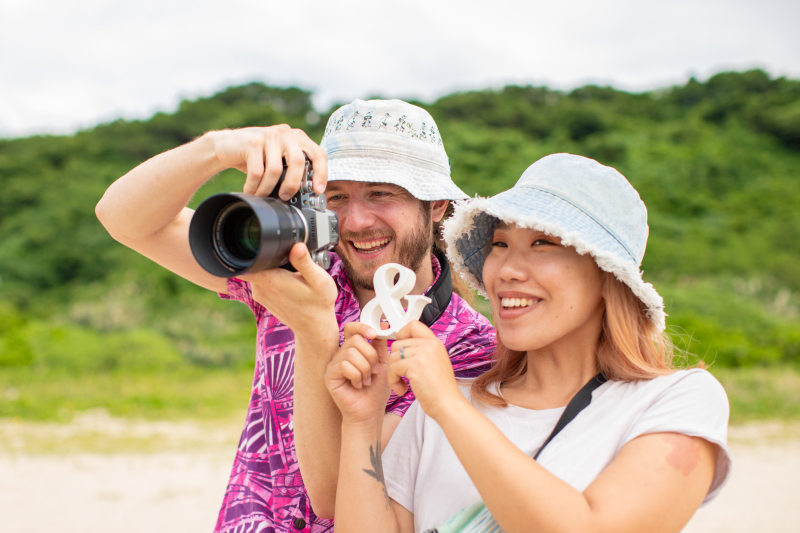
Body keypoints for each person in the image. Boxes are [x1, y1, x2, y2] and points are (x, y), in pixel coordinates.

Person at [94, 99, 496, 533]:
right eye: (336, 196)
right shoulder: (295, 270)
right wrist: (217, 149)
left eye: (381, 193)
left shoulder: (472, 347)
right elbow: (124, 221)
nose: (356, 221)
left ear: (435, 204)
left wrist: (313, 329)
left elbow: (333, 496)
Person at [326, 153, 732, 533]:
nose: (507, 270)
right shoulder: (440, 407)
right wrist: (362, 423)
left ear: (607, 275)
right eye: (500, 245)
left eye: (542, 243)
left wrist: (448, 407)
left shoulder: (674, 401)